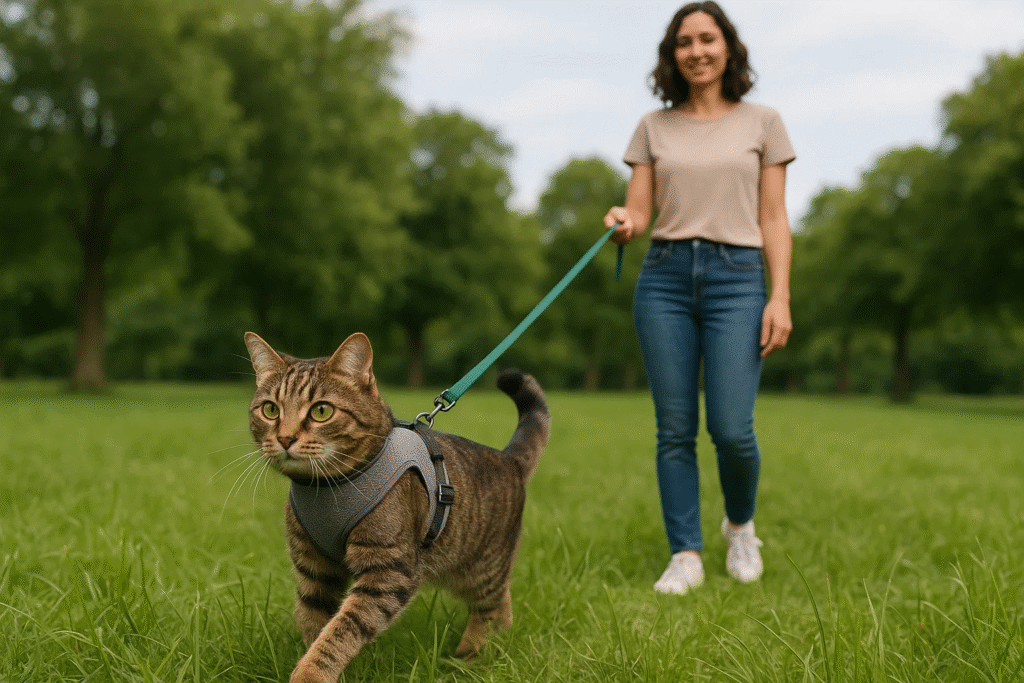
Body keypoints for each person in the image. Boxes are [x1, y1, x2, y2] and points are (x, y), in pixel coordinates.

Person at [604, 1, 795, 595]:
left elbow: (773, 217)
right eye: (684, 42)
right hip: (664, 277)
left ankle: (740, 526)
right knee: (675, 429)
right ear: (673, 55)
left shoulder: (763, 122)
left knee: (733, 428)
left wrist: (779, 295)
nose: (697, 51)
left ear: (728, 47)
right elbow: (638, 212)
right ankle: (685, 553)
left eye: (707, 39)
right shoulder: (653, 127)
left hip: (737, 278)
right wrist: (622, 221)